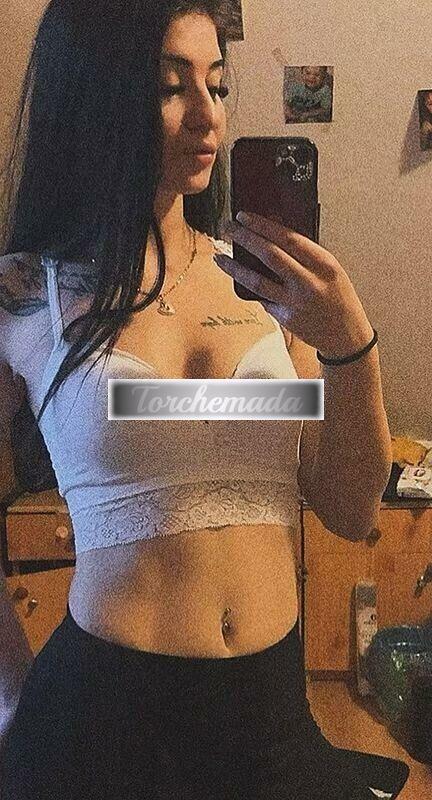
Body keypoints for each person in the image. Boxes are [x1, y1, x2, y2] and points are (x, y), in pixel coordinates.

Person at [0, 1, 410, 798]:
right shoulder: (26, 292)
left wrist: (350, 345)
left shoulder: (266, 287)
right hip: (100, 721)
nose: (208, 115)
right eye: (170, 86)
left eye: (217, 85)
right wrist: (10, 689)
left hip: (268, 715)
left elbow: (351, 509)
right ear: (95, 95)